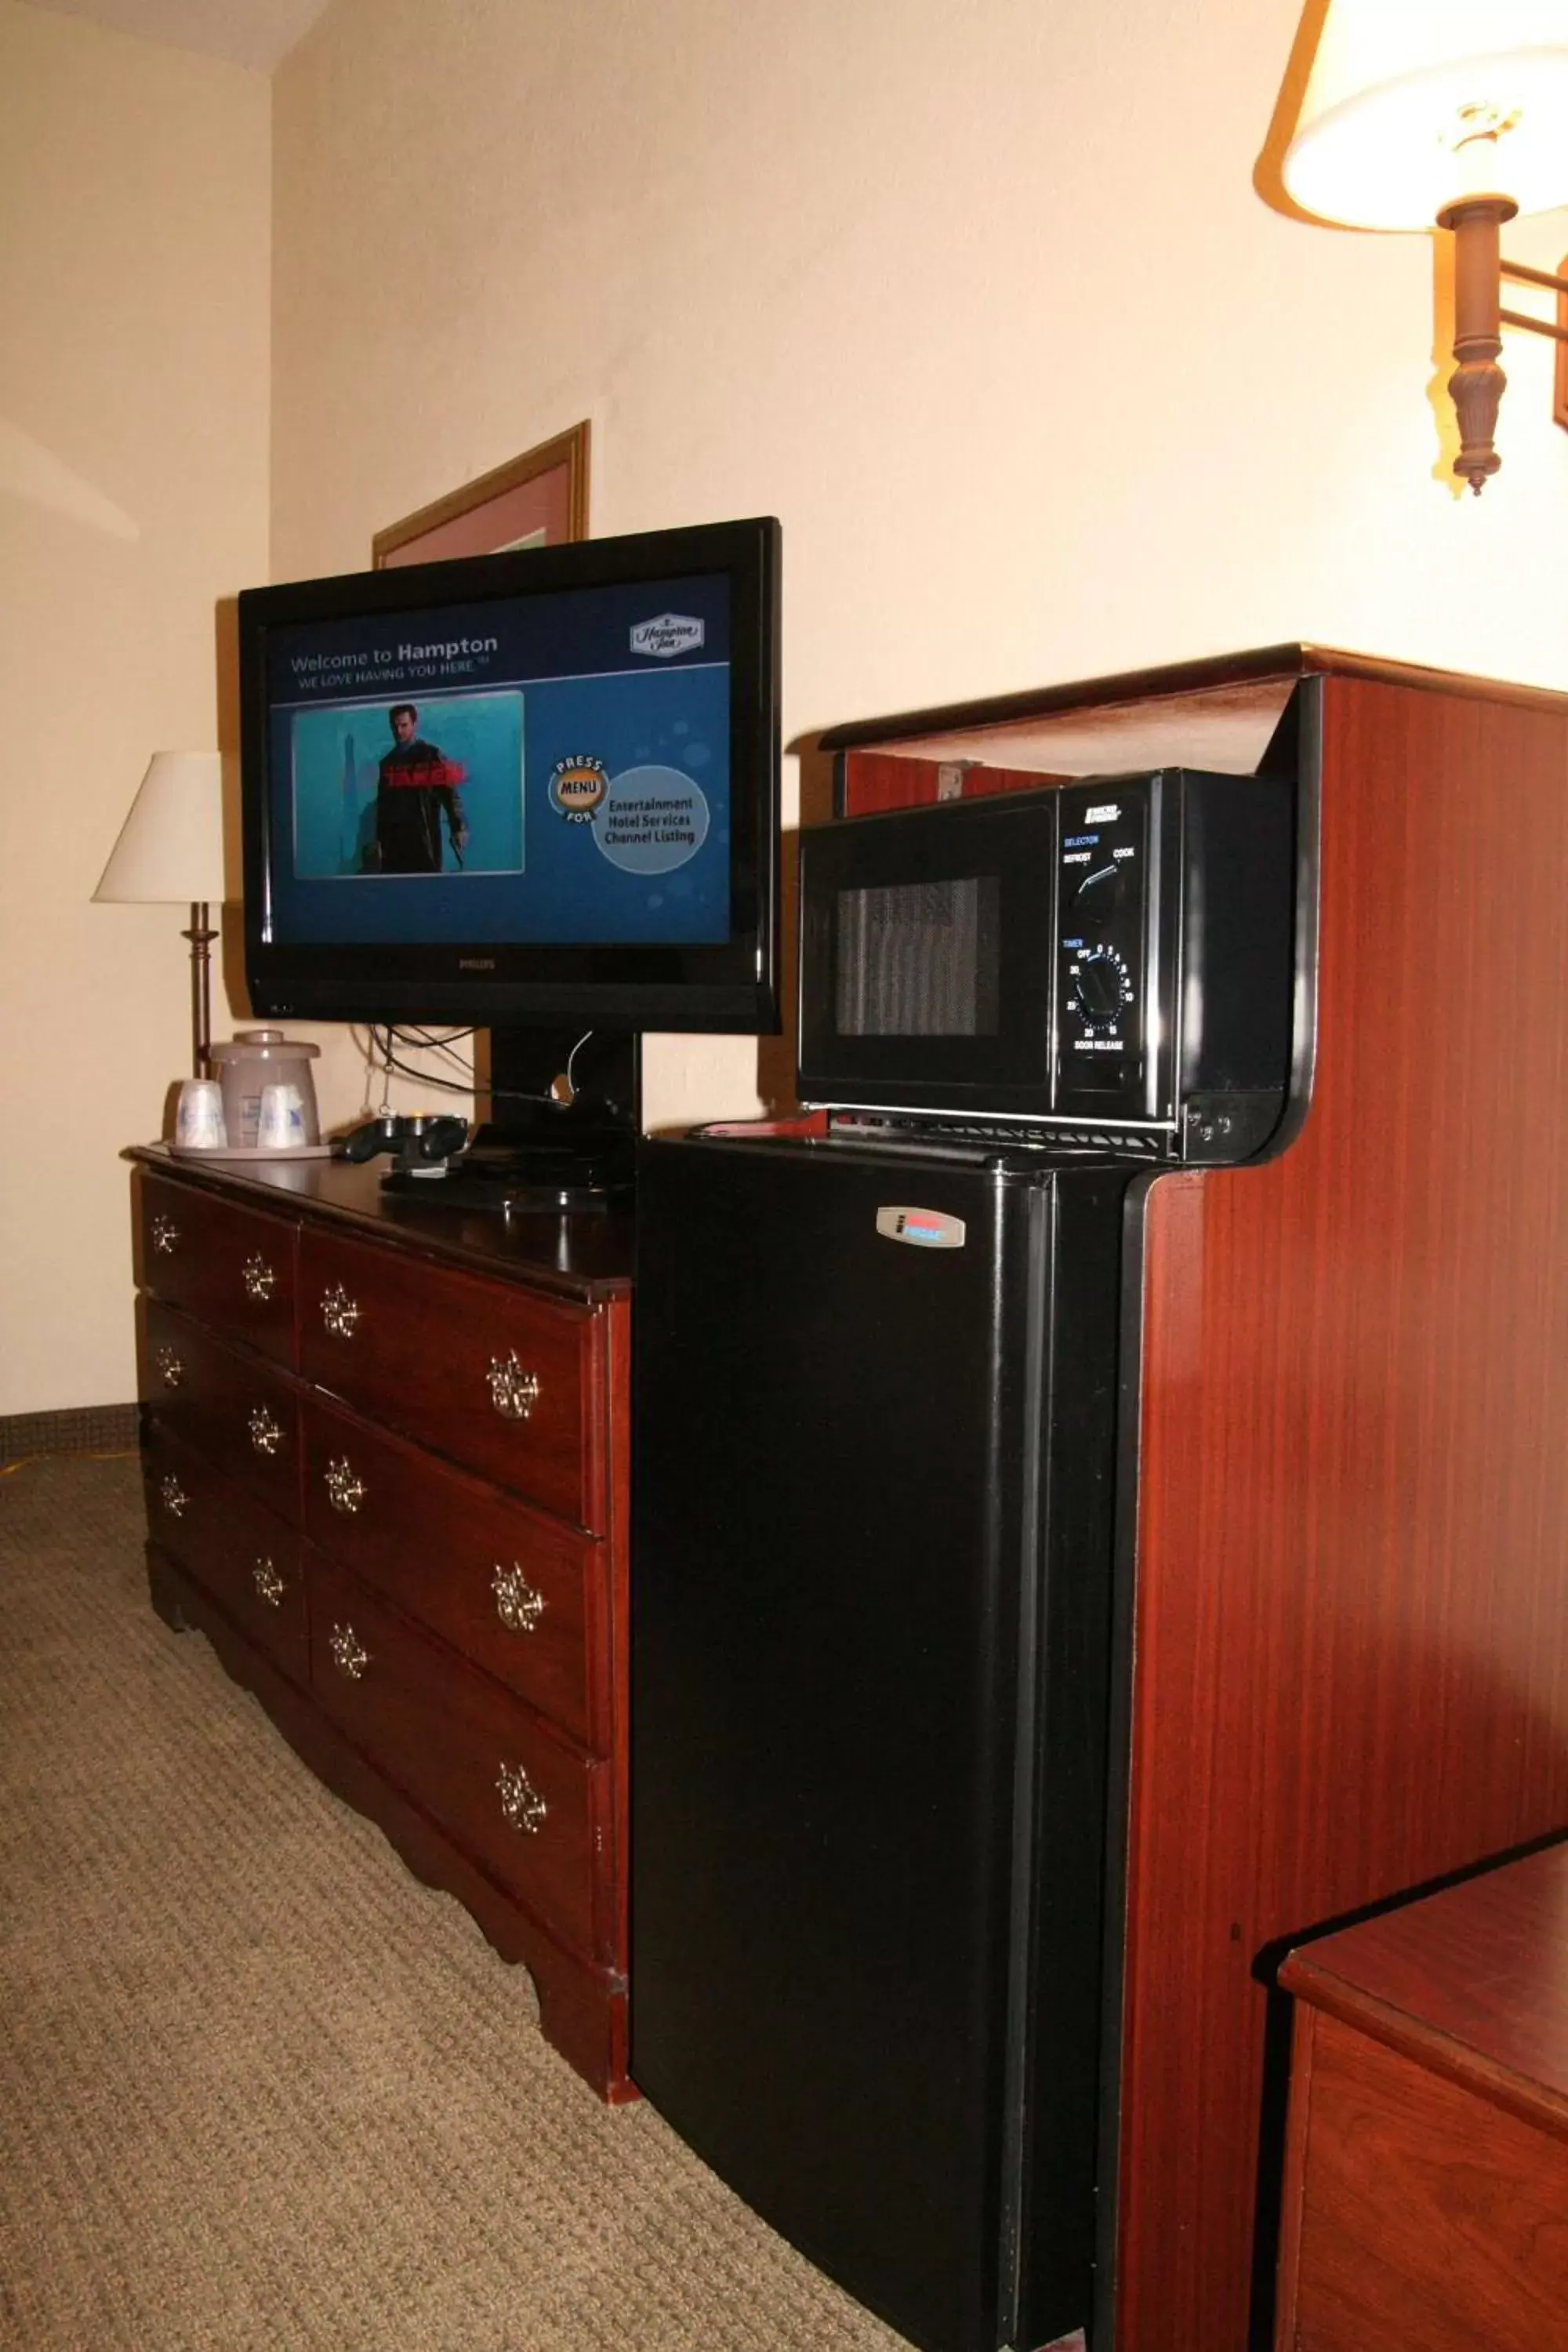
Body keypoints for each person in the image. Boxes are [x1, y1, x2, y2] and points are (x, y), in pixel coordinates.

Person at [369, 704, 469, 873]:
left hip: (422, 837)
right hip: (394, 843)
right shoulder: (387, 763)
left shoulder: (430, 755)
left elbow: (450, 794)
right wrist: (379, 841)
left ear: (414, 725)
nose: (399, 731)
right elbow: (383, 807)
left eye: (404, 725)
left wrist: (458, 827)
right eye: (395, 726)